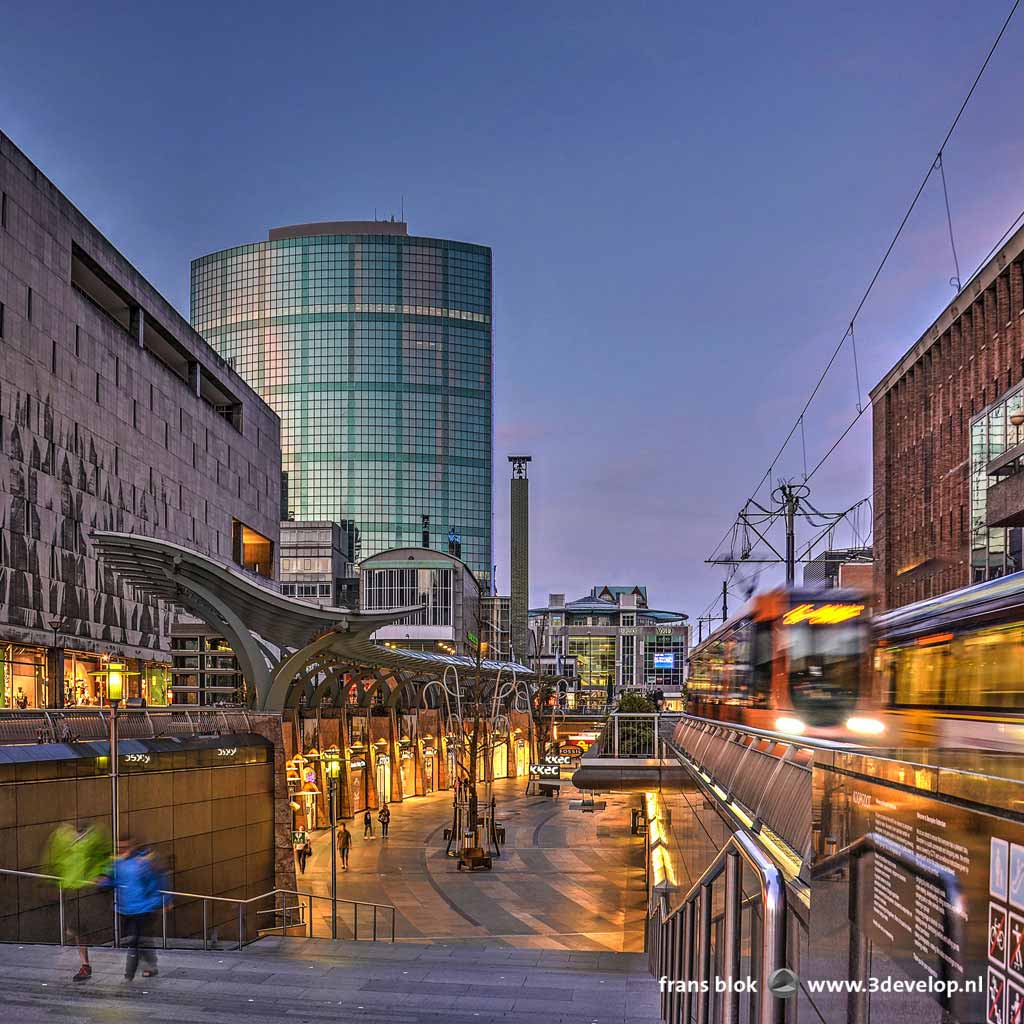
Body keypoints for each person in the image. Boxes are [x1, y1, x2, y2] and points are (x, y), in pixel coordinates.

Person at [42, 824, 111, 982]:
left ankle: (85, 964)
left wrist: (102, 873)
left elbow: (105, 856)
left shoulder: (95, 835)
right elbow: (53, 859)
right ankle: (85, 964)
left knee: (78, 927)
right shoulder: (61, 835)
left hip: (87, 887)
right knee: (75, 929)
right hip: (70, 887)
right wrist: (49, 878)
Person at [101, 836, 167, 981]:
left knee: (137, 940)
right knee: (137, 940)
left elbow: (159, 880)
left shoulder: (145, 861)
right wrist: (103, 883)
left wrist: (163, 901)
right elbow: (112, 880)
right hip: (126, 908)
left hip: (145, 906)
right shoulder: (116, 862)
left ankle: (131, 971)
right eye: (119, 847)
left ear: (132, 847)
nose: (121, 850)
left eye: (124, 847)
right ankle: (148, 964)